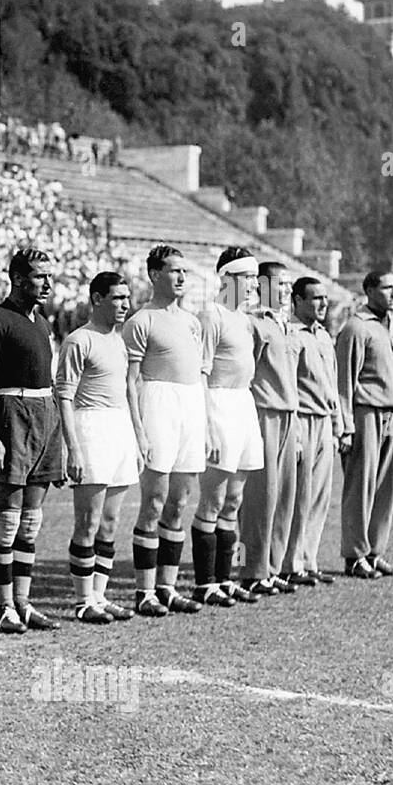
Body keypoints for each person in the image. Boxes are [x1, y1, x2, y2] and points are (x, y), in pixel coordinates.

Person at [0, 248, 64, 635]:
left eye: (48, 275)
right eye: (39, 276)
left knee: (31, 523)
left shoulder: (41, 323)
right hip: (13, 413)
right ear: (18, 279)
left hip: (46, 416)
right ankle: (4, 606)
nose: (46, 283)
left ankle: (24, 603)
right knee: (8, 521)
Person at [123, 244, 205, 617]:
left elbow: (198, 377)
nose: (181, 278)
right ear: (155, 274)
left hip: (190, 407)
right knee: (154, 502)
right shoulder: (142, 321)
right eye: (173, 271)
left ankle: (168, 588)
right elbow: (131, 380)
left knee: (180, 502)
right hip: (158, 406)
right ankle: (144, 591)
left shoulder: (192, 322)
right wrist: (138, 430)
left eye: (184, 272)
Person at [55, 272, 138, 624]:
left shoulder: (119, 341)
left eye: (127, 298)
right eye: (118, 298)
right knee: (88, 521)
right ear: (98, 299)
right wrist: (72, 447)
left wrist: (135, 436)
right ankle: (82, 600)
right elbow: (64, 395)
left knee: (110, 521)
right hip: (91, 428)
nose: (125, 305)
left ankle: (100, 597)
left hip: (118, 427)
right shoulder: (79, 341)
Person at [190, 248, 265, 608]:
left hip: (243, 403)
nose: (254, 284)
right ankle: (204, 583)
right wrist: (207, 425)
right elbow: (201, 373)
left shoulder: (244, 319)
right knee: (213, 498)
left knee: (234, 500)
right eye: (247, 278)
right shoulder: (211, 315)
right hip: (218, 403)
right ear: (227, 278)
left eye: (254, 278)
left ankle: (225, 578)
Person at [337, 270, 393, 579]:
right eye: (387, 288)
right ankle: (355, 555)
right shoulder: (356, 327)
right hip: (366, 411)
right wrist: (345, 425)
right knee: (360, 486)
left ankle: (375, 550)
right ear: (369, 290)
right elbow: (344, 381)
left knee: (386, 487)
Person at [237, 261, 301, 595]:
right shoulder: (254, 324)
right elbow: (246, 374)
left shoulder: (285, 324)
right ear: (262, 286)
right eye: (281, 284)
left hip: (289, 414)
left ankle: (272, 567)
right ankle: (248, 568)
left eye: (289, 286)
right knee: (258, 497)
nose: (287, 291)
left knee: (283, 495)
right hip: (263, 413)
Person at [281, 276, 345, 585]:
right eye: (315, 298)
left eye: (324, 298)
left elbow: (331, 384)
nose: (323, 303)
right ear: (297, 300)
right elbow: (290, 386)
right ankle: (290, 563)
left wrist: (337, 425)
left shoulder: (323, 335)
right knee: (299, 497)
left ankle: (309, 559)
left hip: (323, 422)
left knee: (320, 497)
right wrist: (293, 432)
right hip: (302, 420)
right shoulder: (291, 335)